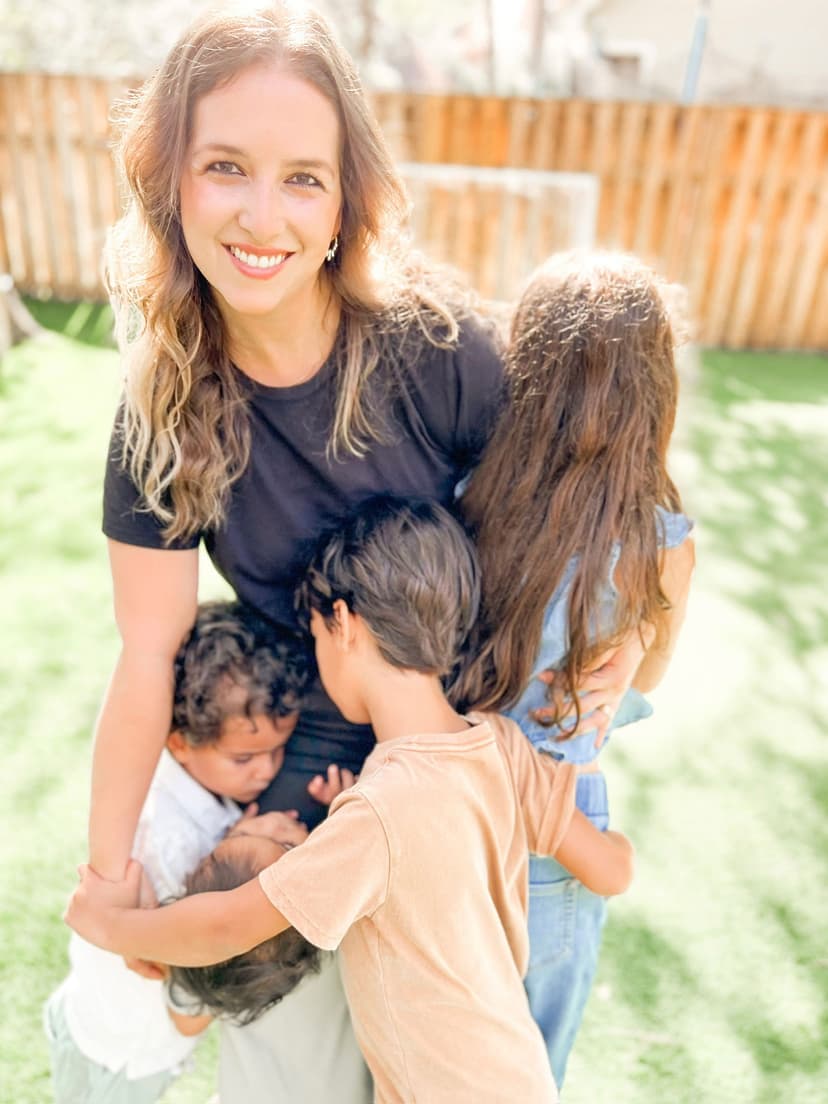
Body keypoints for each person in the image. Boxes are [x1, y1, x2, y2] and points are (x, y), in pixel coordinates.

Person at [66, 498, 635, 1104]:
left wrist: (110, 924)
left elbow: (230, 924)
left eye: (316, 637)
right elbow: (613, 869)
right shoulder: (498, 745)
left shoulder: (380, 814)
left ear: (343, 622)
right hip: (518, 1072)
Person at [451, 251, 696, 1086]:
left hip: (454, 802)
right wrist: (631, 646)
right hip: (564, 825)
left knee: (433, 1050)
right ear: (656, 389)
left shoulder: (465, 497)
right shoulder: (663, 543)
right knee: (529, 1065)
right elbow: (651, 679)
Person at [44, 599, 310, 1103]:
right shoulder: (162, 838)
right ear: (178, 741)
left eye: (279, 750)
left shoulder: (204, 794)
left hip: (111, 1027)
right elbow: (177, 957)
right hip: (120, 1048)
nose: (267, 770)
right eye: (245, 757)